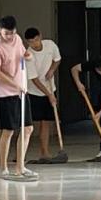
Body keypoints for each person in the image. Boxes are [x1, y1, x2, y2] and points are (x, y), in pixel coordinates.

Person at [0, 16, 37, 181]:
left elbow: (22, 54)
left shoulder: (17, 39)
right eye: (6, 33)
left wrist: (27, 55)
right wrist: (15, 84)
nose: (10, 36)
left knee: (28, 128)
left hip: (21, 91)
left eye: (12, 33)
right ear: (0, 30)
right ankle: (4, 168)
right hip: (6, 93)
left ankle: (20, 167)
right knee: (8, 131)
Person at [24, 27, 62, 162]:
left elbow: (57, 59)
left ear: (40, 36)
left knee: (45, 122)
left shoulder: (50, 45)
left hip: (49, 87)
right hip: (34, 91)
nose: (34, 44)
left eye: (36, 40)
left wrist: (52, 70)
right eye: (31, 42)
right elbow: (34, 80)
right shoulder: (28, 55)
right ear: (27, 42)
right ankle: (20, 154)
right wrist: (49, 95)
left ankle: (44, 153)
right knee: (28, 125)